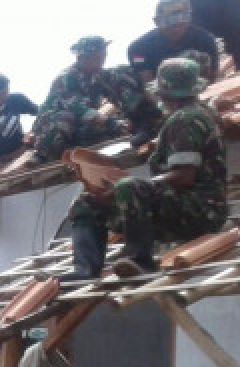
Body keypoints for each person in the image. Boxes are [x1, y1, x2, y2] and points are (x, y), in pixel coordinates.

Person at [65, 58, 227, 281]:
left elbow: (184, 176)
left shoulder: (187, 119)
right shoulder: (196, 114)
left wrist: (124, 188)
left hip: (200, 211)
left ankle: (140, 260)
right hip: (186, 209)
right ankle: (85, 271)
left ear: (164, 94)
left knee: (129, 188)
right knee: (88, 202)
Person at [32, 36, 165, 162]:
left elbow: (112, 93)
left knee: (120, 74)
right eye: (96, 58)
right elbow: (78, 109)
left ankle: (145, 120)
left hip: (81, 124)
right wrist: (112, 123)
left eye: (103, 56)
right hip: (53, 124)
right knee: (65, 119)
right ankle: (47, 154)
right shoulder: (67, 78)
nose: (101, 61)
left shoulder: (96, 75)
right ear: (81, 58)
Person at [130, 0, 220, 84]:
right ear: (156, 21)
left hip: (199, 90)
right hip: (160, 94)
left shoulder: (206, 39)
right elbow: (147, 83)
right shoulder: (138, 49)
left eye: (182, 19)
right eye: (169, 21)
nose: (176, 26)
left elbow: (212, 77)